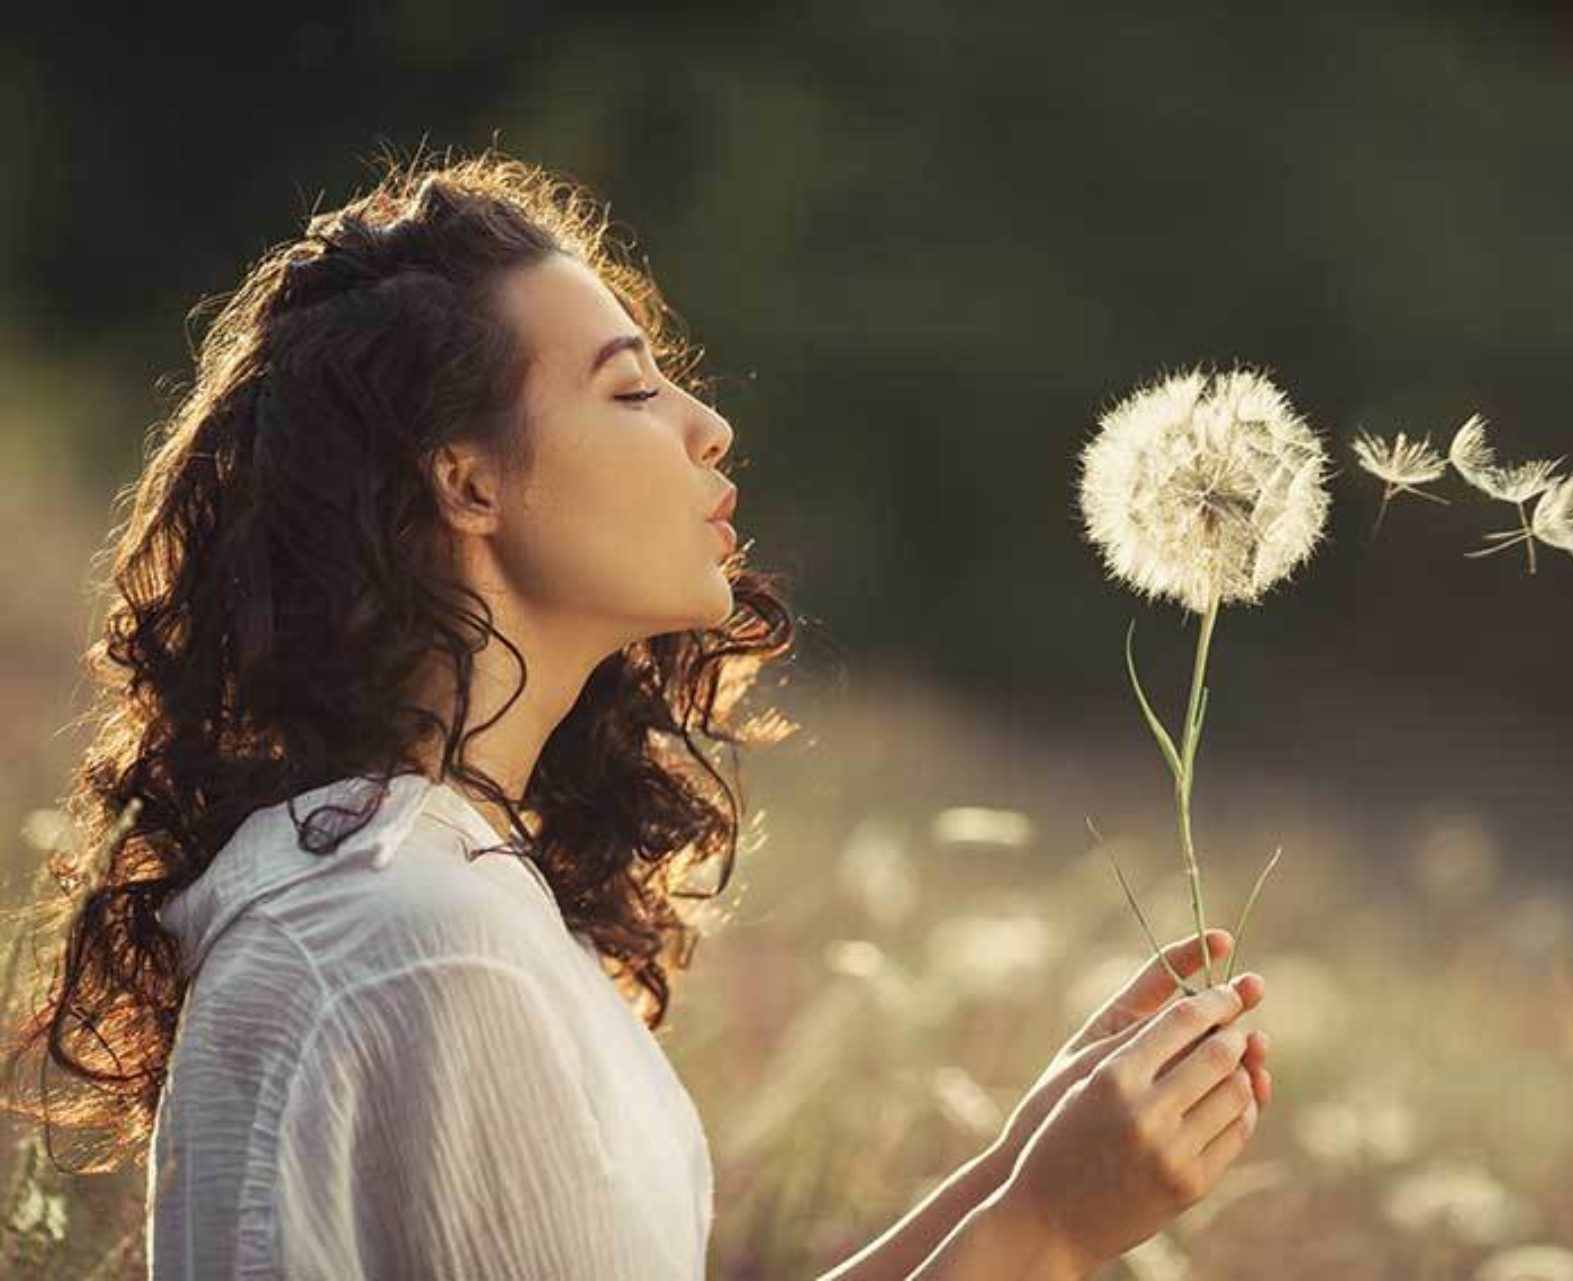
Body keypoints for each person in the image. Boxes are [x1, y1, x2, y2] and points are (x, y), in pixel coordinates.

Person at [0, 146, 1272, 1279]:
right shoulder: (429, 944)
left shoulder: (415, 883)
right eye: (630, 391)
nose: (709, 428)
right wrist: (1046, 1236)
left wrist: (1010, 1176)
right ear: (466, 481)